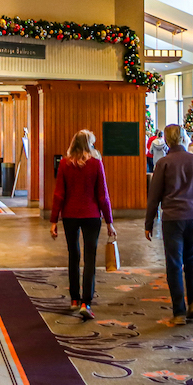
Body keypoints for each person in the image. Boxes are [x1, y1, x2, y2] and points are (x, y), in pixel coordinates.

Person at [145, 124, 193, 325]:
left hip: (173, 218)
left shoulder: (164, 163)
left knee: (174, 263)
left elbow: (154, 196)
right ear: (184, 138)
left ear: (167, 140)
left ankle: (179, 311)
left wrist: (149, 222)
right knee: (191, 261)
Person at [50, 129, 116, 320]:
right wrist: (109, 221)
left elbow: (59, 194)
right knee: (90, 258)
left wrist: (54, 220)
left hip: (70, 215)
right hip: (91, 216)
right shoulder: (96, 164)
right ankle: (86, 302)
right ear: (89, 144)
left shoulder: (64, 164)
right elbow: (103, 195)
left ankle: (73, 299)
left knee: (73, 256)